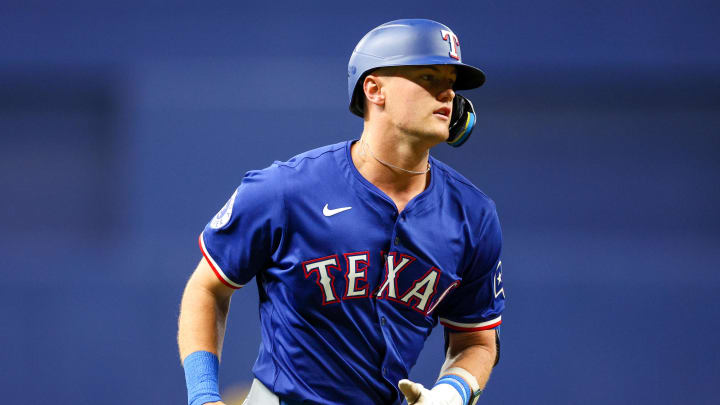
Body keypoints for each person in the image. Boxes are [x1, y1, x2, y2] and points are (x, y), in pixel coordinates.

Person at [178, 18, 505, 405]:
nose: (447, 93)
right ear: (374, 89)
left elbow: (476, 339)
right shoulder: (286, 189)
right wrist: (202, 396)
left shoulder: (474, 215)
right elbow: (207, 287)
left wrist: (453, 393)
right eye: (429, 77)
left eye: (451, 82)